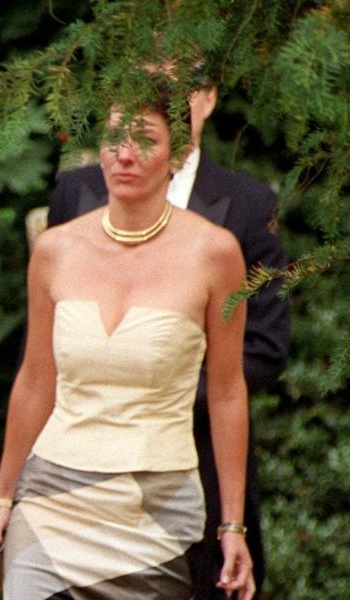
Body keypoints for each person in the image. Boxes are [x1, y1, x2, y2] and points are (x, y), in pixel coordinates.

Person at [0, 86, 256, 599]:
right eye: (115, 137)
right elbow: (36, 378)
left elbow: (226, 393)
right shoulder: (55, 249)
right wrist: (4, 495)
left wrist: (233, 526)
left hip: (155, 505)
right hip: (50, 498)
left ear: (178, 153)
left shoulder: (215, 254)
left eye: (146, 140)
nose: (125, 154)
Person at [47, 80, 288, 597]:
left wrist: (150, 395)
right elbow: (45, 352)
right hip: (78, 470)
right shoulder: (76, 190)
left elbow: (264, 349)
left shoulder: (249, 204)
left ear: (208, 97)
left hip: (198, 467)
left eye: (182, 84)